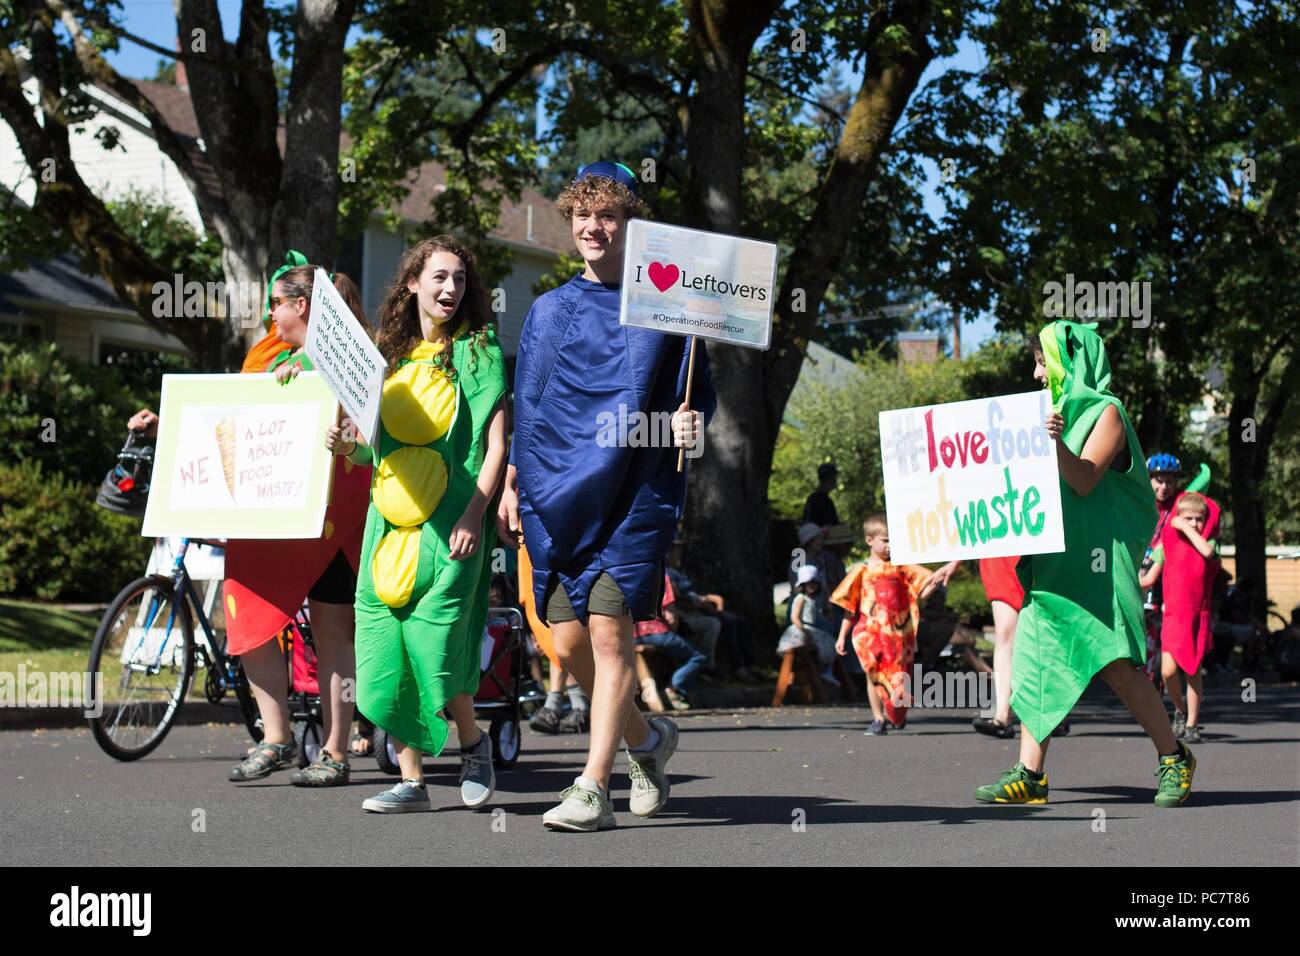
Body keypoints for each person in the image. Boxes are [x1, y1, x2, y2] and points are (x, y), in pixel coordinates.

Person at [499, 160, 713, 832]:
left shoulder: (669, 308)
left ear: (631, 224)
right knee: (565, 646)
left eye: (609, 215)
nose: (594, 226)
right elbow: (529, 408)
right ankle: (647, 742)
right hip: (557, 492)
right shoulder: (548, 311)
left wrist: (689, 427)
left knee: (611, 634)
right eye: (584, 215)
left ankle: (593, 786)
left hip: (638, 492)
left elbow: (698, 410)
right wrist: (510, 478)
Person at [974, 321, 1196, 808]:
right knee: (1035, 662)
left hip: (1098, 565)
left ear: (1069, 364)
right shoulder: (1046, 413)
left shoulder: (1107, 411)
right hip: (1055, 563)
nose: (1036, 375)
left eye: (1042, 362)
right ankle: (1030, 776)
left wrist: (1051, 444)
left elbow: (1084, 480)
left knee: (1116, 666)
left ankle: (1175, 757)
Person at [323, 235, 508, 813]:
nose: (450, 288)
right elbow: (379, 449)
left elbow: (497, 445)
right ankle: (413, 781)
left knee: (435, 647)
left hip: (453, 526)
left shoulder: (479, 351)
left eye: (459, 279)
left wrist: (476, 513)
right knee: (385, 653)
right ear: (412, 284)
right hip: (389, 530)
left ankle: (474, 747)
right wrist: (346, 448)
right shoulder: (389, 356)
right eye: (438, 277)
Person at [220, 265, 372, 787]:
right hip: (270, 517)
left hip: (333, 519)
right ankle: (276, 738)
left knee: (333, 631)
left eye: (277, 304)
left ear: (302, 306)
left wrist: (308, 369)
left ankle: (334, 751)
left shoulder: (352, 357)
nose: (271, 314)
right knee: (248, 618)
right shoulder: (271, 362)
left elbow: (369, 427)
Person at [831, 514, 941, 735]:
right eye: (886, 540)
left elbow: (923, 588)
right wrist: (842, 635)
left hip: (898, 636)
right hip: (869, 634)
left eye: (893, 541)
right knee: (873, 674)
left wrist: (936, 581)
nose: (890, 546)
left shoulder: (901, 568)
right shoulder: (861, 572)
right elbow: (850, 607)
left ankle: (896, 713)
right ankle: (878, 718)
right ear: (869, 540)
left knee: (900, 677)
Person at [1141, 491, 1221, 743]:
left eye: (1199, 519)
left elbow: (1207, 553)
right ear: (1178, 517)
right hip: (1173, 617)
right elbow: (1149, 578)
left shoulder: (1208, 542)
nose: (1194, 523)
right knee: (1167, 672)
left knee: (1192, 670)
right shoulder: (1168, 543)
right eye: (1188, 518)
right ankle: (1180, 710)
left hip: (1197, 617)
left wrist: (1185, 527)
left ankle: (1192, 725)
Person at [634, 573, 708, 710]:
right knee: (698, 657)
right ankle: (675, 687)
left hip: (631, 634)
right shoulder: (661, 576)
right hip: (657, 631)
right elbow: (671, 617)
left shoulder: (627, 573)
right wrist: (673, 631)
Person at [777, 565, 839, 686]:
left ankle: (826, 670)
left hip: (812, 629)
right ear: (803, 585)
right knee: (824, 644)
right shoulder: (801, 599)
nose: (812, 586)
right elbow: (795, 617)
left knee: (830, 644)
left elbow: (823, 610)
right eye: (809, 584)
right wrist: (804, 630)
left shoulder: (815, 600)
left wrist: (828, 613)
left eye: (814, 583)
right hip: (802, 629)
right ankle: (823, 671)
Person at [802, 462, 840, 527]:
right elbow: (830, 526)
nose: (836, 480)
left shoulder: (812, 498)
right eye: (834, 477)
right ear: (830, 478)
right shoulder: (824, 501)